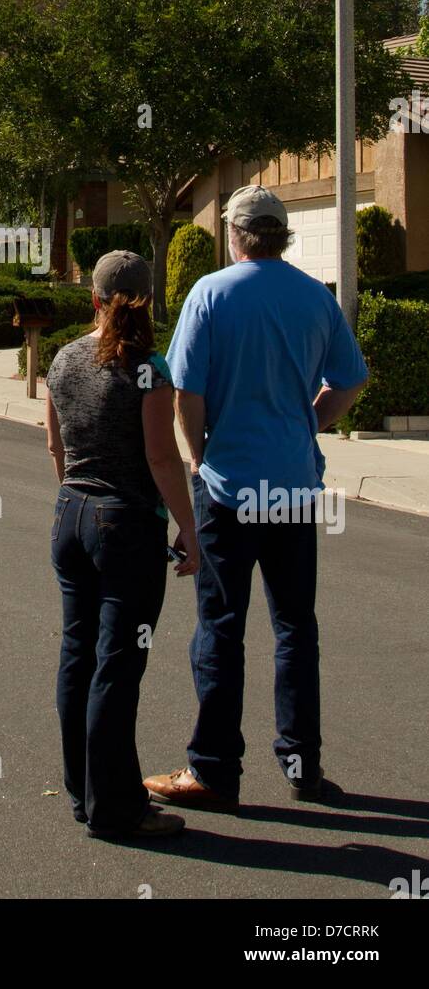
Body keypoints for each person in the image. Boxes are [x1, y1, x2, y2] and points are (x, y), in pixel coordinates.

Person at [144, 186, 368, 814]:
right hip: (293, 487)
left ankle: (213, 771)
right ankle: (303, 765)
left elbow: (186, 391)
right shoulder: (313, 298)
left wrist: (197, 455)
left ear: (235, 234)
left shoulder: (211, 294)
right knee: (296, 627)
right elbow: (349, 380)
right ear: (282, 235)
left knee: (221, 627)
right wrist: (307, 426)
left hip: (227, 488)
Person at [45, 250, 199, 840]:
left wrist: (74, 502)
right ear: (149, 299)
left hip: (71, 516)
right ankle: (116, 808)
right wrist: (189, 530)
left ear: (93, 298)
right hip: (126, 527)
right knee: (117, 667)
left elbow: (56, 448)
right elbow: (162, 458)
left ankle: (86, 793)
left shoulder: (62, 359)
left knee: (77, 656)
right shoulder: (147, 370)